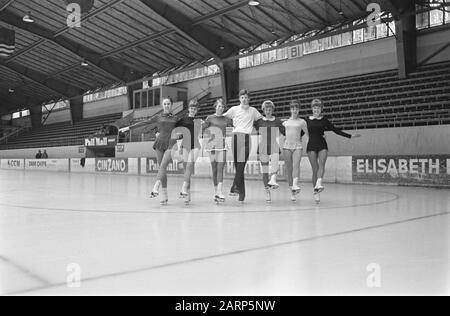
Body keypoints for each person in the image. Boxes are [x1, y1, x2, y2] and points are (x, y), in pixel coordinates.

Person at [120, 97, 179, 205]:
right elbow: (144, 123)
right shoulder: (158, 117)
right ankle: (164, 195)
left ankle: (155, 187)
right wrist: (128, 128)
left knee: (162, 167)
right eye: (165, 104)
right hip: (159, 143)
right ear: (162, 105)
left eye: (168, 104)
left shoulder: (176, 118)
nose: (167, 105)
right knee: (162, 170)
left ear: (171, 105)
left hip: (171, 145)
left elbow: (184, 130)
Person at [305, 99, 361, 203]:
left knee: (321, 165)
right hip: (311, 146)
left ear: (321, 109)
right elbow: (300, 131)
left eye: (318, 108)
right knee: (315, 169)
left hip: (322, 144)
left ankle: (319, 184)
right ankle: (315, 192)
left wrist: (350, 136)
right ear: (312, 109)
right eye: (314, 107)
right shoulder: (307, 120)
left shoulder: (324, 120)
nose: (316, 109)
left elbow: (336, 130)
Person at [224, 89, 263, 203]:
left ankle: (234, 186)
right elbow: (224, 118)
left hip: (246, 138)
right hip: (235, 137)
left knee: (241, 165)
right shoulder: (234, 109)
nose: (244, 99)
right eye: (242, 97)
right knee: (238, 167)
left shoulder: (253, 111)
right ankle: (242, 194)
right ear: (239, 99)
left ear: (249, 98)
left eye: (246, 97)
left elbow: (261, 121)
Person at [202, 99, 233, 203]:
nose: (221, 108)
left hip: (222, 146)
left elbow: (236, 124)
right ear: (215, 107)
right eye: (219, 106)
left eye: (222, 107)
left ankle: (220, 191)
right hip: (212, 146)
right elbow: (202, 128)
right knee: (214, 169)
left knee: (220, 168)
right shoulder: (210, 118)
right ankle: (216, 192)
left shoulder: (227, 119)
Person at [254, 100, 285, 203]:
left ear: (272, 110)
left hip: (274, 145)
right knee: (265, 171)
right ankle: (267, 191)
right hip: (263, 146)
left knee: (275, 164)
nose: (268, 110)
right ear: (263, 110)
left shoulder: (277, 120)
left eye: (270, 109)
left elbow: (285, 131)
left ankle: (273, 179)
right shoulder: (259, 122)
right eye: (266, 109)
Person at [175, 99, 202, 205]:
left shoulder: (199, 121)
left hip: (195, 145)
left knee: (190, 166)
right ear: (189, 109)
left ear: (197, 110)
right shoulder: (183, 119)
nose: (193, 109)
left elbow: (200, 133)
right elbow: (172, 126)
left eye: (195, 108)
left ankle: (183, 188)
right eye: (191, 108)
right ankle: (187, 195)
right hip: (185, 145)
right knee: (187, 171)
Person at [283, 101, 309, 202]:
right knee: (289, 169)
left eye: (297, 109)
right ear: (290, 110)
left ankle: (295, 185)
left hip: (297, 146)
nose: (295, 110)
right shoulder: (285, 122)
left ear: (299, 110)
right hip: (287, 147)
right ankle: (292, 192)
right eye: (293, 108)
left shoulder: (302, 122)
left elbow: (308, 133)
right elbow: (282, 135)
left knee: (296, 166)